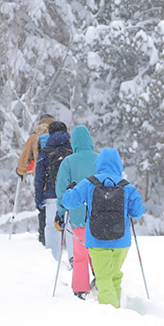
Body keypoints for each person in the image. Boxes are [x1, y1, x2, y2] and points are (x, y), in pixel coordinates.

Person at [58, 147, 146, 308]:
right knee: (114, 276)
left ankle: (111, 314)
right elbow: (138, 212)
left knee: (103, 278)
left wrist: (69, 190)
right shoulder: (126, 186)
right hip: (121, 241)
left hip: (97, 240)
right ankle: (117, 307)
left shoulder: (89, 183)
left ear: (98, 164)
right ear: (119, 165)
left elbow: (68, 202)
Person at [54, 125, 99, 299]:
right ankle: (100, 281)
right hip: (99, 214)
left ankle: (80, 289)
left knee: (80, 255)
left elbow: (62, 191)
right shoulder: (99, 159)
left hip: (78, 215)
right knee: (97, 251)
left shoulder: (68, 162)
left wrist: (61, 212)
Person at [36, 121, 72, 262]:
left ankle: (52, 259)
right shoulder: (72, 150)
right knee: (70, 225)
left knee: (51, 227)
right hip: (69, 196)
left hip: (51, 196)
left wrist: (38, 199)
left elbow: (39, 179)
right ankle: (72, 258)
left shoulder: (45, 152)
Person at [17, 114, 55, 244]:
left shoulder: (34, 137)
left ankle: (44, 238)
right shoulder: (59, 135)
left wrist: (20, 171)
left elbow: (25, 156)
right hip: (58, 179)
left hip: (41, 178)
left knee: (43, 208)